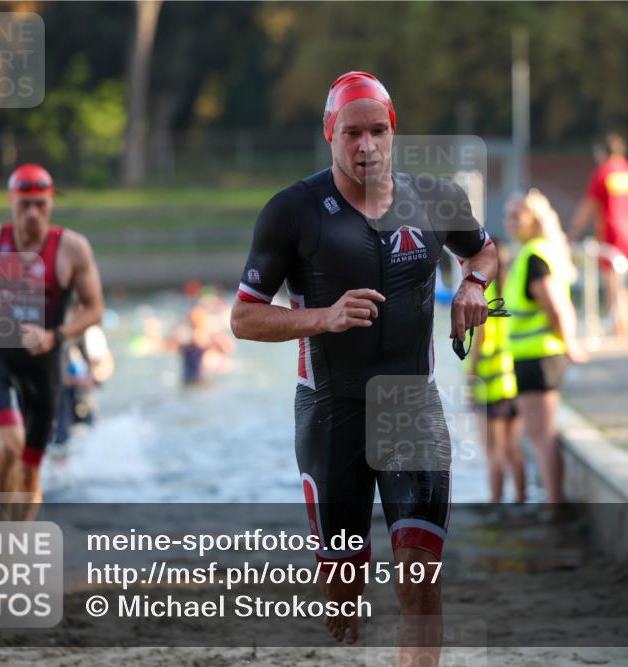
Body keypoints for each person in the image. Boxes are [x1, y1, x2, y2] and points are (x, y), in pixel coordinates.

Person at [230, 71, 496, 664]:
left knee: (420, 577)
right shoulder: (293, 212)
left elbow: (481, 248)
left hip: (411, 409)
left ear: (393, 132)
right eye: (352, 133)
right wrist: (321, 318)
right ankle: (341, 583)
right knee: (344, 590)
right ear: (330, 133)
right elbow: (244, 318)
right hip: (332, 413)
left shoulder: (436, 199)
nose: (366, 146)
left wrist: (474, 283)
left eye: (378, 131)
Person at [0, 163, 104, 519]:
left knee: (29, 470)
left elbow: (94, 310)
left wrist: (55, 335)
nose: (32, 213)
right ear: (11, 202)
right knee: (10, 446)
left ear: (51, 202)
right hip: (1, 361)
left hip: (46, 368)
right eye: (24, 204)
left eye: (40, 204)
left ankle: (19, 546)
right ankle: (0, 529)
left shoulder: (72, 248)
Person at [503, 190, 588, 504]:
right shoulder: (530, 253)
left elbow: (556, 308)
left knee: (542, 435)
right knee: (538, 434)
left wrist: (570, 345)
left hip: (539, 357)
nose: (509, 222)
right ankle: (551, 501)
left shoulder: (535, 256)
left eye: (516, 215)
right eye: (507, 215)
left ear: (533, 219)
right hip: (530, 357)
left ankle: (554, 504)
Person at [569, 132, 628, 337]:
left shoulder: (603, 173)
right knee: (622, 282)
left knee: (612, 283)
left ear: (603, 152)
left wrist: (572, 233)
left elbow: (587, 207)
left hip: (611, 233)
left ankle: (620, 328)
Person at [468, 245, 524, 503]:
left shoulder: (482, 298)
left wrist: (470, 380)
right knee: (514, 450)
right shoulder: (513, 293)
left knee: (493, 452)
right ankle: (522, 498)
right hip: (514, 381)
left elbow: (478, 345)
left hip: (490, 385)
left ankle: (496, 503)